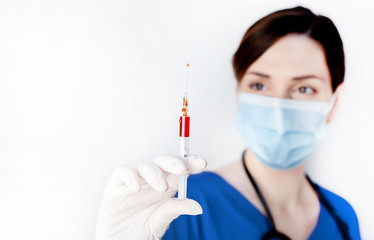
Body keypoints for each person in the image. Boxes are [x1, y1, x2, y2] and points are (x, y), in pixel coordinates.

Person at [95, 6, 361, 240]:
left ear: (334, 103)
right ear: (239, 95)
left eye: (304, 89)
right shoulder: (179, 206)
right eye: (259, 85)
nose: (278, 108)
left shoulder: (341, 217)